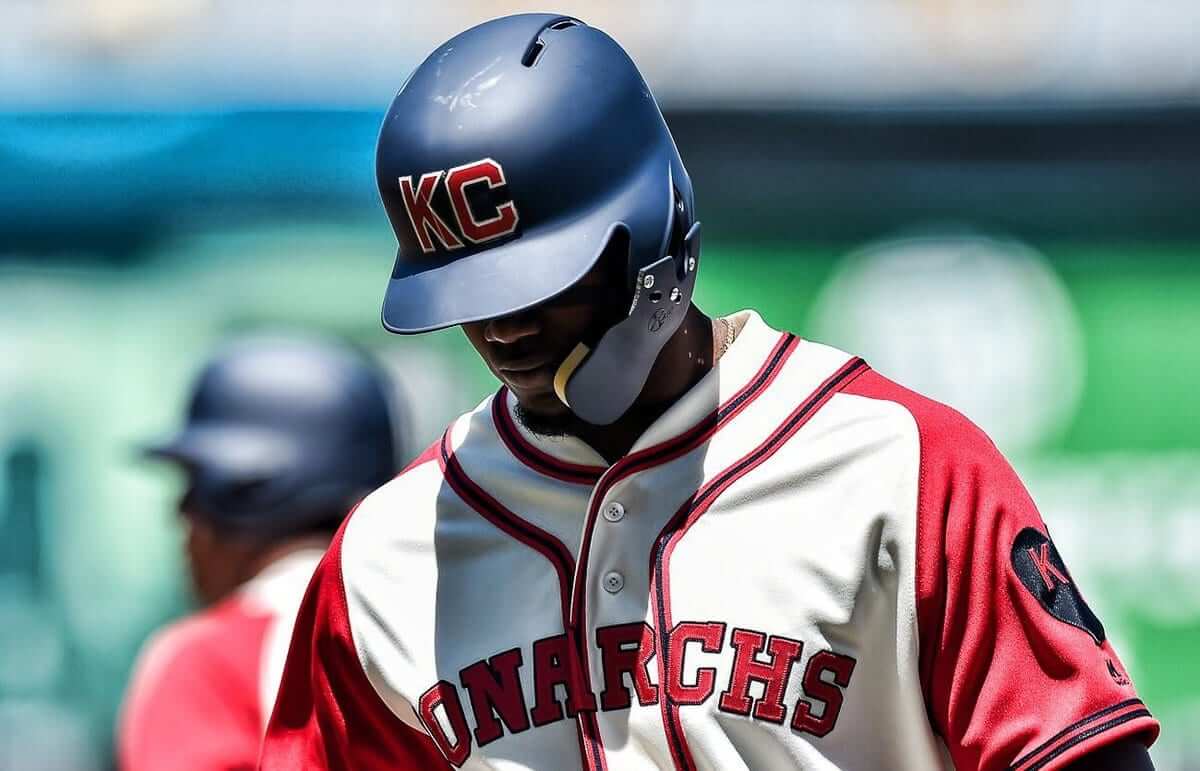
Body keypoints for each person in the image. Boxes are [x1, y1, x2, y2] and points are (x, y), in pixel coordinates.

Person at [260, 14, 1159, 771]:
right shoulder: (389, 552)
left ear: (653, 226)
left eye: (539, 282)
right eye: (472, 295)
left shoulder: (900, 466)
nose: (504, 330)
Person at [118, 334, 404, 771]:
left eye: (194, 486)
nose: (180, 513)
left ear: (238, 493)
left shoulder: (208, 658)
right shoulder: (428, 628)